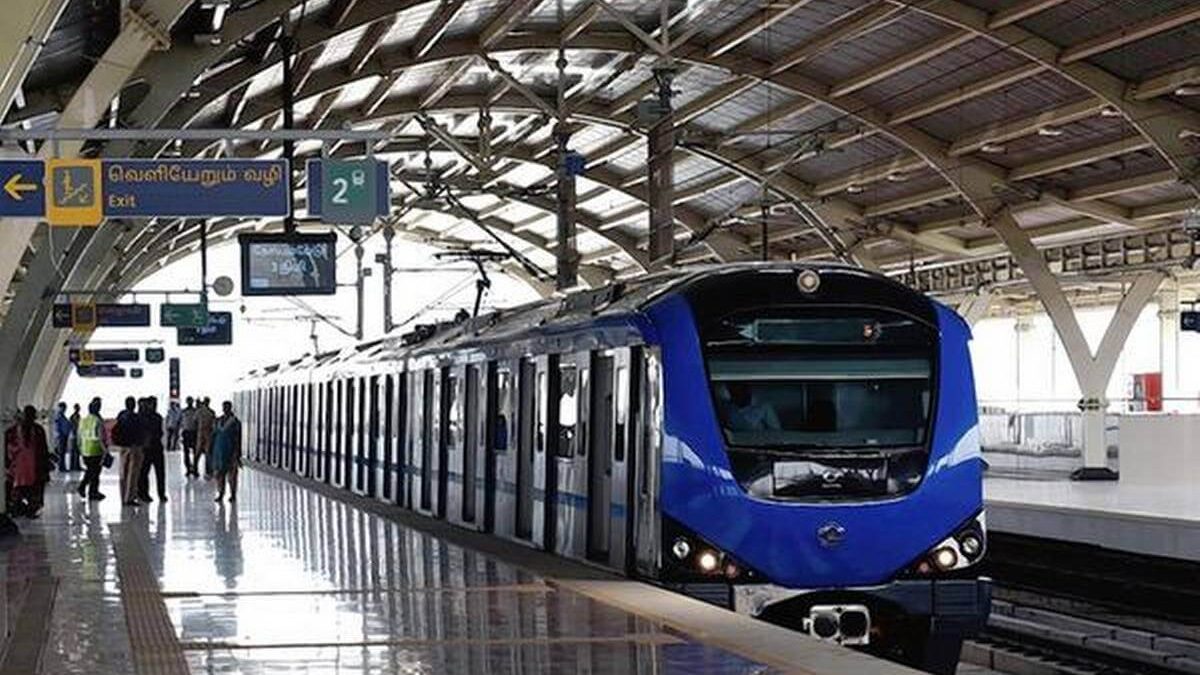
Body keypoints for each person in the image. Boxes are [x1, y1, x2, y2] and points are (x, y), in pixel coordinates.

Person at [5, 406, 51, 517]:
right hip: (22, 470)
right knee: (25, 492)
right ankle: (23, 509)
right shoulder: (37, 430)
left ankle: (24, 509)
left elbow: (43, 451)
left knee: (24, 492)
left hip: (24, 470)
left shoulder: (13, 431)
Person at [112, 396, 144, 506]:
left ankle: (122, 496)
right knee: (132, 474)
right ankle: (129, 498)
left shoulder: (121, 415)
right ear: (134, 405)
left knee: (123, 473)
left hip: (122, 448)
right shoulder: (136, 417)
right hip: (133, 447)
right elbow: (140, 433)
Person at [77, 398, 108, 500]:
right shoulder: (97, 421)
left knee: (90, 471)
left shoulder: (83, 420)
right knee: (95, 472)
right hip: (95, 450)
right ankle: (89, 490)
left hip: (85, 450)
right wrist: (105, 450)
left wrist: (80, 449)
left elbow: (79, 436)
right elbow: (100, 437)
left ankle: (91, 491)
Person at [211, 401, 242, 503]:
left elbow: (238, 438)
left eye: (227, 407)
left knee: (232, 475)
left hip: (231, 451)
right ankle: (221, 493)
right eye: (224, 407)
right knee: (219, 474)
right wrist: (211, 449)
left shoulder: (235, 422)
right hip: (219, 451)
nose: (225, 409)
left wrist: (237, 453)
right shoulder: (218, 420)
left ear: (230, 408)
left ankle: (233, 494)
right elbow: (213, 435)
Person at [138, 397, 167, 503]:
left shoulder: (156, 417)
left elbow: (160, 432)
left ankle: (160, 493)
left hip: (155, 448)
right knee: (145, 472)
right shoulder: (144, 417)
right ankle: (144, 493)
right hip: (148, 448)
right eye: (152, 404)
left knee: (159, 473)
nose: (154, 406)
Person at [195, 398, 216, 479]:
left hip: (202, 434)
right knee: (206, 453)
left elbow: (195, 421)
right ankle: (207, 471)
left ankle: (197, 469)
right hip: (206, 434)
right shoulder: (211, 412)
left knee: (200, 453)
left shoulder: (200, 412)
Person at [180, 397, 199, 477]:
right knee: (186, 453)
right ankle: (188, 469)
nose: (189, 403)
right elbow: (181, 422)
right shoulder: (183, 412)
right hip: (186, 432)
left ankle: (195, 469)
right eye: (188, 401)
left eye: (191, 401)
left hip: (194, 432)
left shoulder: (196, 411)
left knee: (196, 453)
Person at [53, 403, 73, 474]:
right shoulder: (58, 416)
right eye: (63, 408)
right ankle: (61, 467)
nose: (64, 409)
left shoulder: (62, 416)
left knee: (63, 452)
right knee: (61, 452)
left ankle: (62, 466)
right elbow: (57, 426)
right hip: (61, 437)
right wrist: (57, 435)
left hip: (64, 436)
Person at [68, 403, 82, 471]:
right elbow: (74, 426)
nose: (79, 409)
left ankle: (76, 466)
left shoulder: (77, 416)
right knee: (74, 452)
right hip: (74, 436)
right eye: (78, 408)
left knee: (76, 452)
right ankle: (74, 467)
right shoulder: (74, 416)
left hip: (75, 435)